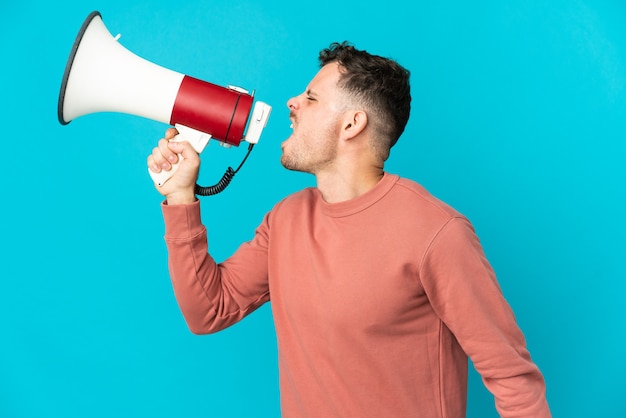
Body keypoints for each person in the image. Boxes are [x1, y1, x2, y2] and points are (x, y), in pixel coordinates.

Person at [147, 41, 551, 418]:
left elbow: (513, 379)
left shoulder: (437, 233)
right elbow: (208, 310)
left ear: (352, 124)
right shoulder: (285, 220)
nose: (292, 103)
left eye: (311, 98)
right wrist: (182, 196)